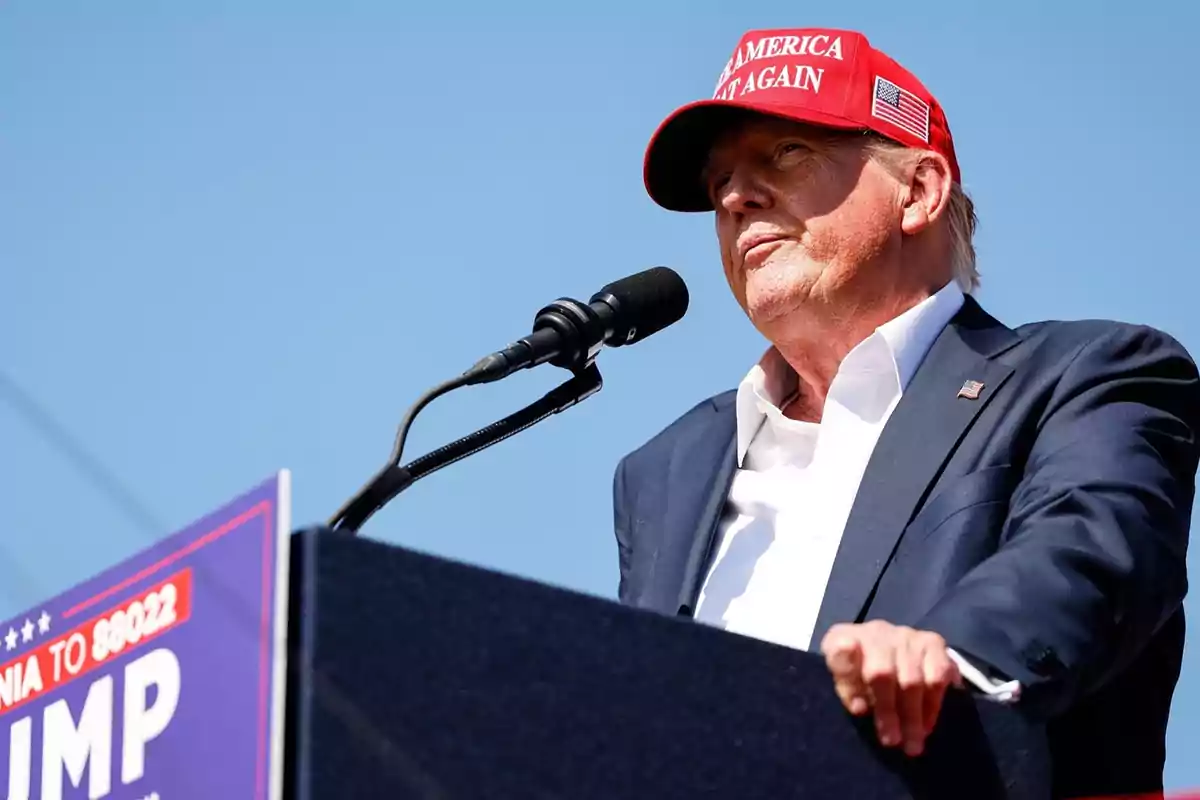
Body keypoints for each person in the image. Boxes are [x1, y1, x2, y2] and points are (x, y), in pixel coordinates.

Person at [612, 25, 1199, 797]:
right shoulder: (666, 468)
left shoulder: (1088, 376)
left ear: (919, 190)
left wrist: (949, 654)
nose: (733, 197)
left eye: (786, 155)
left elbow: (1091, 552)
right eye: (719, 178)